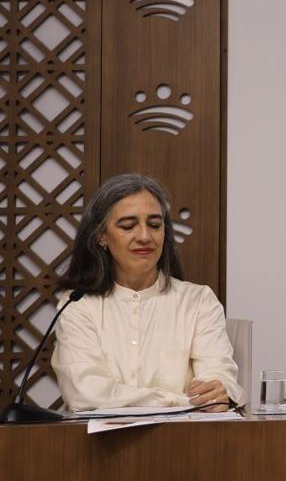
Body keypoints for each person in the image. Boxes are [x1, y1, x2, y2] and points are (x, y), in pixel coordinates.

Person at [51, 174, 242, 411]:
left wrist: (219, 390)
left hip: (185, 441)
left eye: (154, 225)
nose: (144, 237)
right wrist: (178, 402)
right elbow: (85, 394)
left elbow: (218, 378)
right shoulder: (78, 305)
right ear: (101, 236)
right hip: (98, 446)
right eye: (128, 226)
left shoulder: (198, 301)